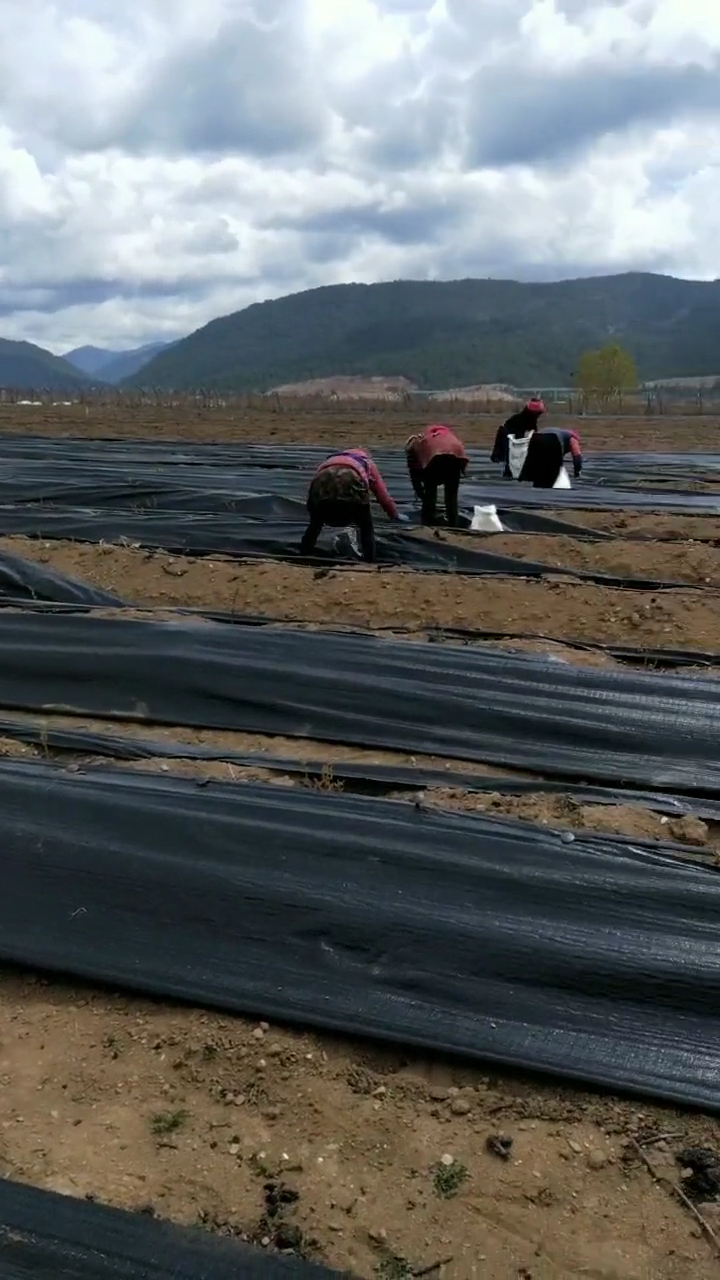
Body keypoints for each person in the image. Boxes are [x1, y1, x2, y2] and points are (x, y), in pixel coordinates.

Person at [299, 447, 406, 562]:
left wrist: (313, 510)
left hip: (323, 485)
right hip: (350, 486)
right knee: (366, 526)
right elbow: (382, 495)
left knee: (315, 525)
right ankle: (369, 560)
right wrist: (394, 515)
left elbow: (312, 489)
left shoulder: (329, 461)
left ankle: (304, 552)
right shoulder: (367, 463)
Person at [405, 424, 468, 526]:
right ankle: (453, 523)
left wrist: (421, 494)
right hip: (456, 459)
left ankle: (427, 523)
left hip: (435, 460)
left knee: (430, 495)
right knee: (451, 497)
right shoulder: (443, 436)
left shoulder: (416, 446)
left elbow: (414, 474)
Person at [491, 398, 545, 477]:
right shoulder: (524, 419)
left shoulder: (527, 417)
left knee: (514, 455)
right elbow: (522, 433)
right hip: (508, 434)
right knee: (510, 455)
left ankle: (512, 472)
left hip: (510, 433)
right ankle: (509, 473)